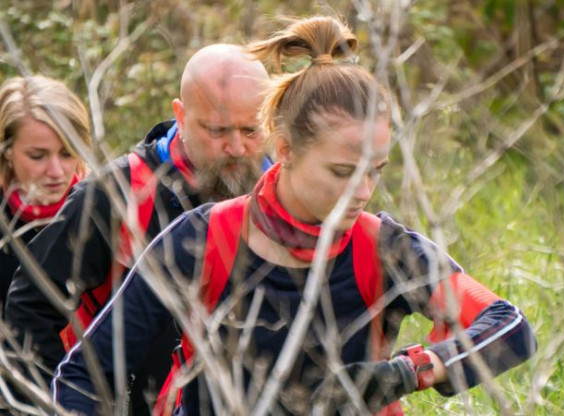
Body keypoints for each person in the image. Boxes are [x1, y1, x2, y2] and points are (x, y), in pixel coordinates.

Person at [52, 17, 536, 415]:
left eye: (376, 171)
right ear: (283, 149)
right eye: (342, 172)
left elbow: (509, 326)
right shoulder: (202, 239)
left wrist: (407, 371)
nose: (363, 192)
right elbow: (84, 376)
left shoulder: (384, 248)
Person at [5, 44, 270, 413]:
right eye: (218, 130)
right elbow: (29, 312)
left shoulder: (287, 194)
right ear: (181, 116)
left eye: (251, 129)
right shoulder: (116, 194)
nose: (237, 147)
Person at [0, 75, 91, 309]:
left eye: (68, 153)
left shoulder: (99, 206)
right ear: (7, 151)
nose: (56, 171)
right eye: (37, 156)